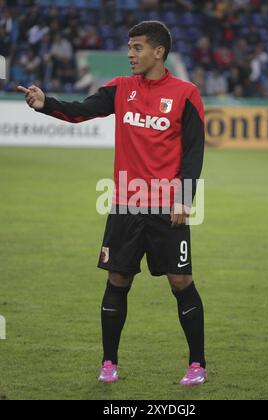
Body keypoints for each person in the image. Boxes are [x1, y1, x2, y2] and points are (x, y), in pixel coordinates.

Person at [18, 21, 207, 387]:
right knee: (118, 278)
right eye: (129, 47)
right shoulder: (121, 89)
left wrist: (185, 198)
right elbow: (82, 110)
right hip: (125, 203)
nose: (130, 54)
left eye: (137, 47)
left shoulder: (186, 93)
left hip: (169, 207)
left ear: (158, 51)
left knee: (181, 280)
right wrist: (46, 105)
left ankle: (197, 364)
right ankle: (109, 363)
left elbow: (194, 152)